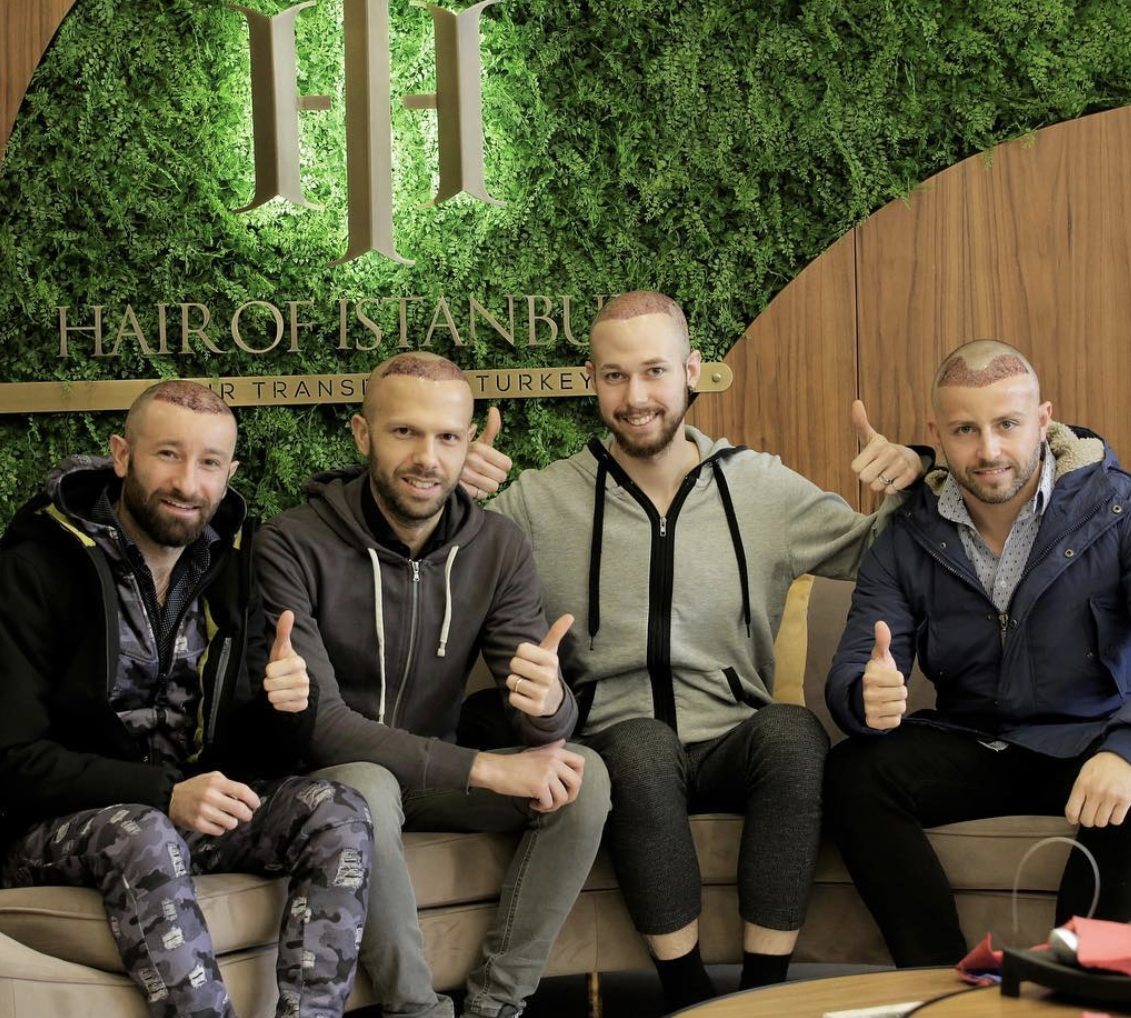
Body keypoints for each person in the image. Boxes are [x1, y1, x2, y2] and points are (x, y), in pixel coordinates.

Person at [463, 290, 927, 1013]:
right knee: (642, 745)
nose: (635, 397)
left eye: (654, 371)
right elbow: (440, 573)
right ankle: (687, 997)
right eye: (614, 376)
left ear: (691, 371)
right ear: (591, 380)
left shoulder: (760, 486)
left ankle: (762, 997)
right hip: (617, 744)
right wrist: (451, 494)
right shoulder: (540, 500)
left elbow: (876, 552)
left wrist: (914, 476)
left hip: (733, 741)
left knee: (793, 732)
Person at [254, 351, 611, 1018]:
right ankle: (418, 1012)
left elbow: (540, 721)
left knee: (580, 776)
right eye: (405, 433)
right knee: (365, 785)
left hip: (432, 781)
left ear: (468, 442)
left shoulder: (497, 546)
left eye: (448, 437)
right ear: (363, 435)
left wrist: (549, 705)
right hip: (329, 786)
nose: (427, 457)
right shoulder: (290, 543)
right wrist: (484, 769)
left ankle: (496, 1006)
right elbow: (321, 726)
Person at [0, 381, 373, 1018]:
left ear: (230, 474)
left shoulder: (234, 562)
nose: (187, 483)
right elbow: (12, 757)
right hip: (54, 828)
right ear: (122, 455)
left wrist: (289, 707)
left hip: (188, 814)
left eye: (209, 463)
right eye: (168, 454)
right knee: (144, 832)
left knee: (337, 809)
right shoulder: (33, 566)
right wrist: (164, 794)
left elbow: (256, 756)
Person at [824, 339, 1131, 967]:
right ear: (937, 434)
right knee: (855, 772)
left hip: (1096, 736)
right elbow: (863, 655)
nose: (989, 450)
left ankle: (1072, 979)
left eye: (1007, 424)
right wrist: (863, 696)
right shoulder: (906, 535)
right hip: (979, 742)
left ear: (1044, 421)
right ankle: (938, 983)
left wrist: (1130, 746)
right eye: (965, 430)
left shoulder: (1122, 510)